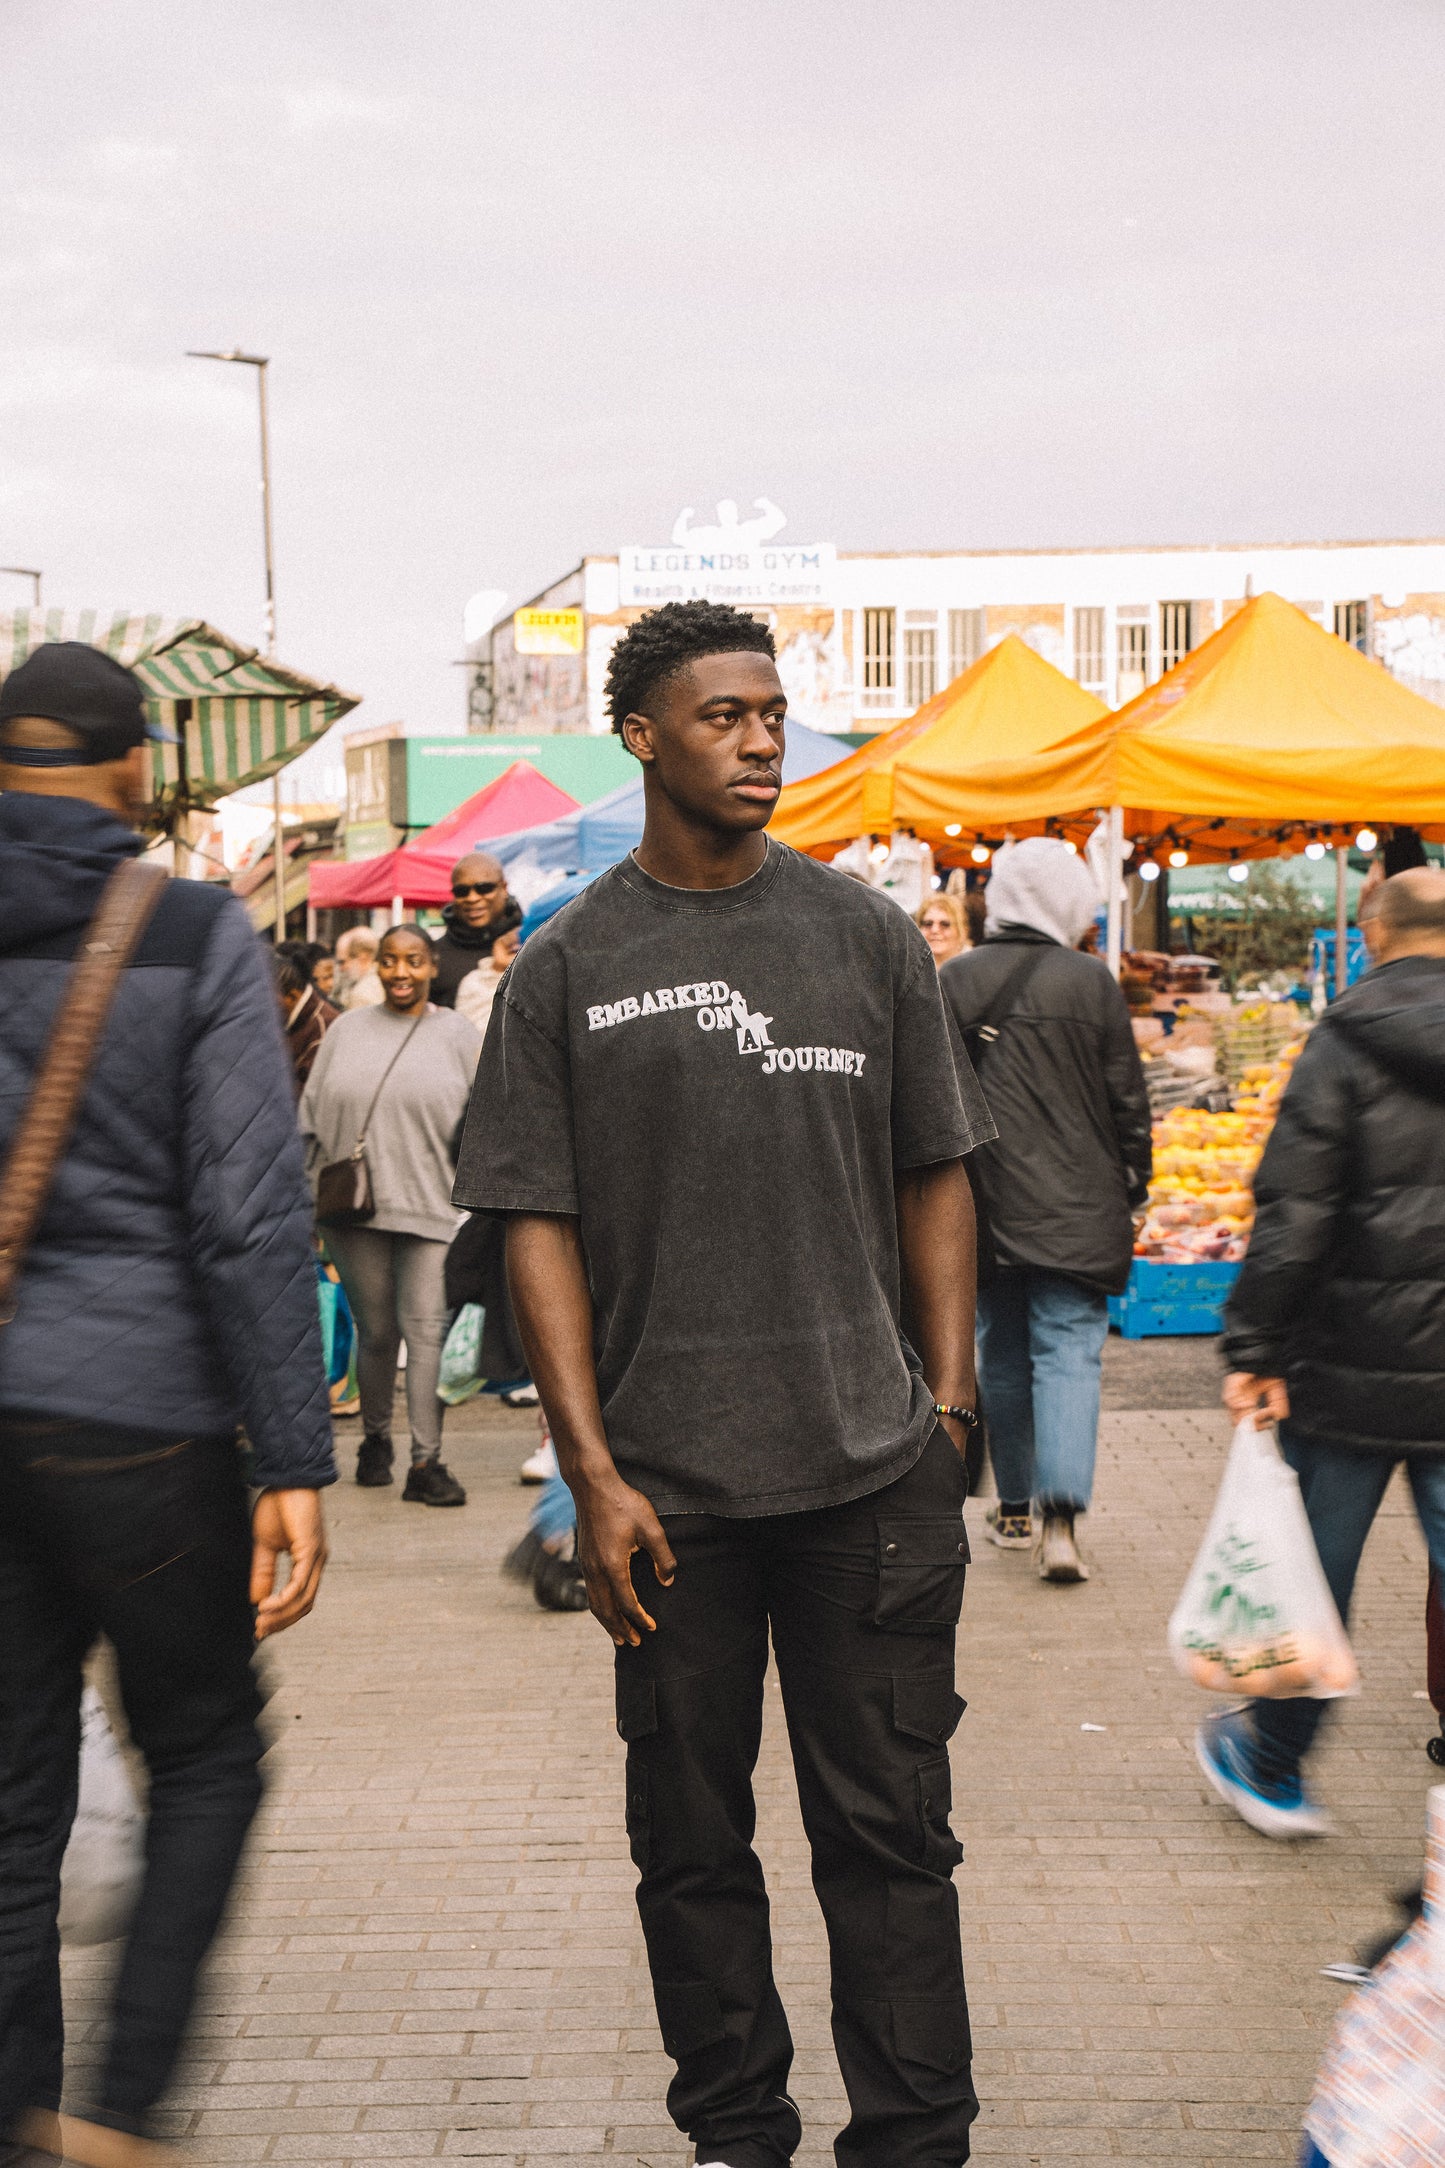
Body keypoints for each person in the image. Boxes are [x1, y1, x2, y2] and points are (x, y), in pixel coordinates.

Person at [455, 598, 994, 2168]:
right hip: (666, 1499)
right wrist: (591, 1474)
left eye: (771, 714)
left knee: (891, 1840)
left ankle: (913, 2142)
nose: (763, 742)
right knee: (689, 1848)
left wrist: (949, 1407)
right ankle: (735, 2135)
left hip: (869, 1476)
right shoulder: (567, 968)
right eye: (723, 717)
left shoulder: (862, 937)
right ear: (640, 736)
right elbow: (535, 1227)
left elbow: (937, 1173)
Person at [0, 643, 333, 2167]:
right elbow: (250, 1215)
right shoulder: (191, 932)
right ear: (136, 766)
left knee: (11, 1805)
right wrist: (291, 1455)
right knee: (203, 1752)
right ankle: (118, 2109)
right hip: (144, 1421)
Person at [1202, 866, 1445, 1838]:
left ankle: (1271, 1768)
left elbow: (1293, 1212)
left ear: (1373, 931)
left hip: (1346, 1365)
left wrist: (1252, 1345)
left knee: (1309, 1576)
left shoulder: (1341, 1040)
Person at [938, 837, 1151, 1584]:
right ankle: (1061, 1521)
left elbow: (931, 1102)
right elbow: (1128, 1100)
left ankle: (1014, 1508)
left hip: (985, 1204)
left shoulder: (955, 978)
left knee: (999, 1350)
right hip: (1080, 1205)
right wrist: (1136, 1185)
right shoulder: (1092, 982)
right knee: (1067, 1350)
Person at [300, 923, 480, 1506]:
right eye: (390, 960)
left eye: (414, 960)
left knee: (425, 1331)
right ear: (377, 966)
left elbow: (487, 1119)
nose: (401, 971)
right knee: (376, 1332)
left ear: (432, 967)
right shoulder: (346, 1030)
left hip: (434, 1208)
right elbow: (309, 1118)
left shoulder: (458, 1034)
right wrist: (305, 1200)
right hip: (353, 1210)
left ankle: (426, 1462)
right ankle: (375, 1441)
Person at [432, 852, 522, 1009]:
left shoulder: (529, 941)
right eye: (462, 891)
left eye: (484, 888)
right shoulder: (434, 956)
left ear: (504, 888)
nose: (472, 898)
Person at [273, 944, 339, 1095]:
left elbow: (309, 1096)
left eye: (270, 1002)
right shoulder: (293, 1019)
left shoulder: (322, 1028)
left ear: (292, 997)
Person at [454, 923, 520, 1035]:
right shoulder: (473, 980)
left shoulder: (538, 978)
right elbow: (465, 1031)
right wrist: (500, 968)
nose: (514, 938)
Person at [334, 924, 384, 1010]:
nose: (341, 968)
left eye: (343, 962)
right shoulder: (384, 980)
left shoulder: (361, 994)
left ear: (363, 958)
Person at [916, 891, 969, 967]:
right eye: (928, 924)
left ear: (962, 931)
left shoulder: (974, 968)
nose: (934, 930)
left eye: (945, 924)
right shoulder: (907, 968)